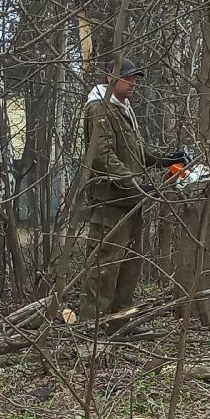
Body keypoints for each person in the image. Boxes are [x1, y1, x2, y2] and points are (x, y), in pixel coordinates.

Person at [78, 58, 185, 331]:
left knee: (129, 265)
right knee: (104, 265)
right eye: (128, 78)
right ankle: (92, 328)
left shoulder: (123, 108)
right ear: (110, 78)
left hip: (130, 201)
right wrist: (133, 183)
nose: (133, 83)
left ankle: (120, 323)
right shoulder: (99, 108)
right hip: (110, 202)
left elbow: (138, 150)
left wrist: (167, 158)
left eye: (135, 78)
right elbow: (102, 156)